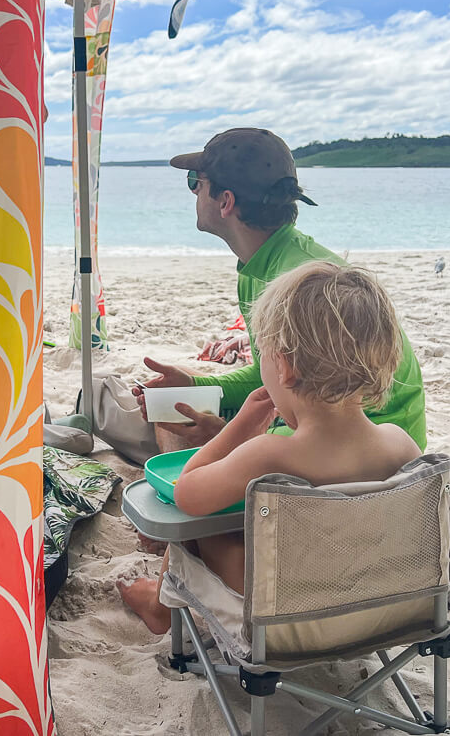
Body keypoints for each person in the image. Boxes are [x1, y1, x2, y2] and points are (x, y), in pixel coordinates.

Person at [120, 261, 422, 633]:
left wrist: (239, 428)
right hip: (380, 605)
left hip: (287, 614)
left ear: (284, 368)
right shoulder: (401, 445)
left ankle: (159, 608)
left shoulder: (268, 454)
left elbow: (187, 492)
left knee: (198, 528)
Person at [134, 127, 427, 450]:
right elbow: (272, 379)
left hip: (371, 443)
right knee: (180, 406)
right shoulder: (261, 265)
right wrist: (195, 383)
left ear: (226, 201)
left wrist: (228, 439)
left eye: (195, 183)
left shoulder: (304, 287)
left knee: (181, 438)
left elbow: (335, 417)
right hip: (328, 423)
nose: (193, 192)